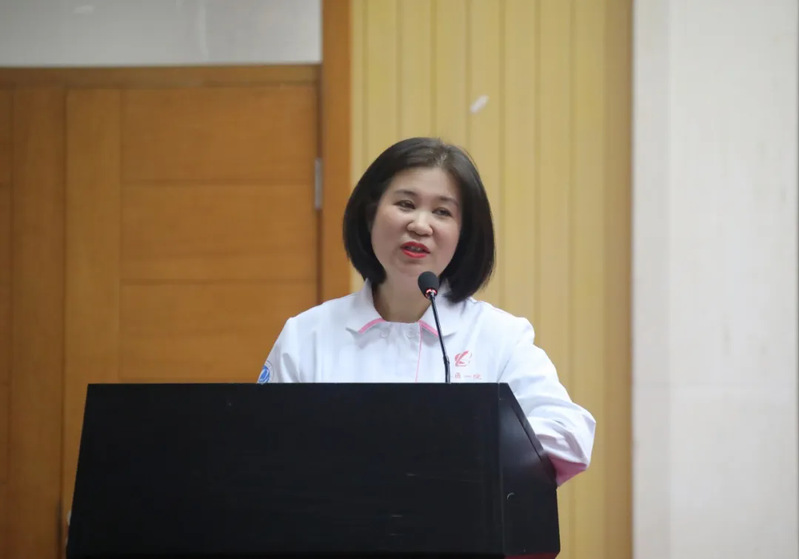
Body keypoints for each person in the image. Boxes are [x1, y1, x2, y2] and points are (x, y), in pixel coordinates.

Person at [258, 137, 595, 485]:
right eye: (405, 204)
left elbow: (571, 436)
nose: (420, 225)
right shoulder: (306, 334)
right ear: (371, 214)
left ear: (463, 235)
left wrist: (462, 442)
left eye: (442, 212)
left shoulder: (499, 336)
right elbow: (259, 447)